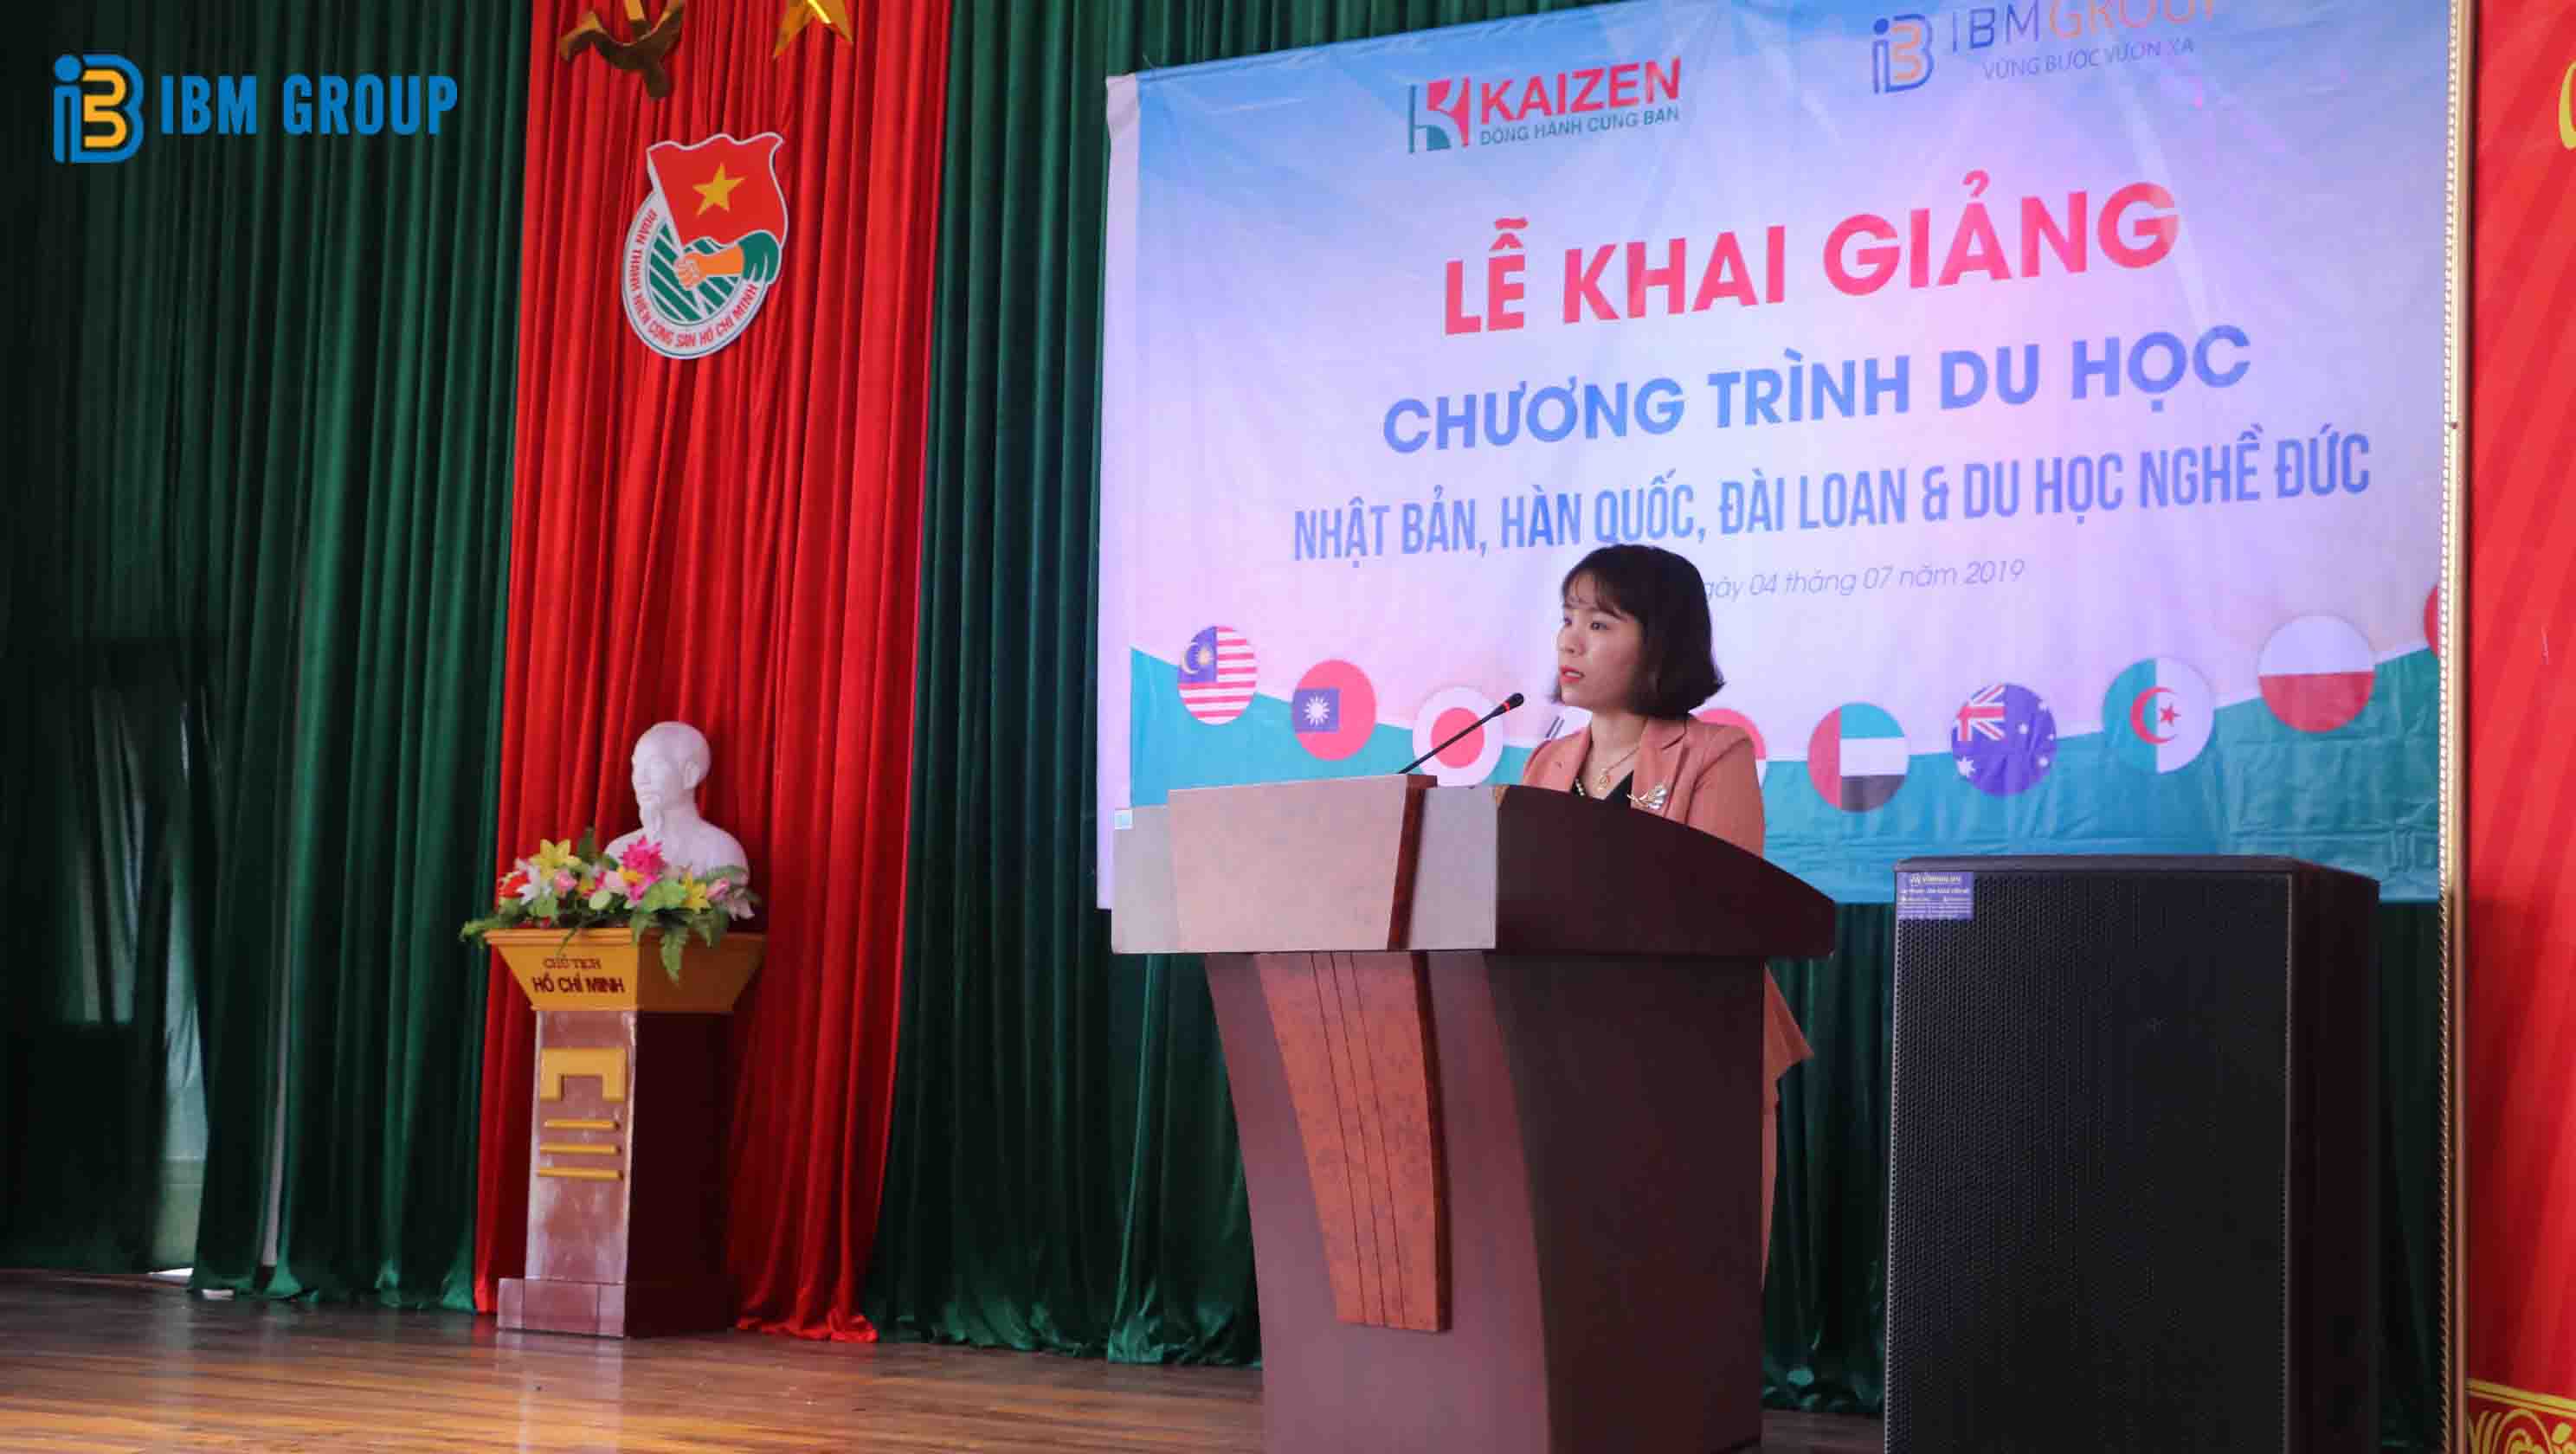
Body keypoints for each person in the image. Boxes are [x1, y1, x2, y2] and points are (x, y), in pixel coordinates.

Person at [1519, 543, 1813, 1272]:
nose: (1569, 641)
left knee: (1690, 1281)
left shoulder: (1715, 754)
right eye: (1567, 618)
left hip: (1691, 1060)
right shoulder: (1545, 765)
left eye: (1599, 624)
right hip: (1567, 1063)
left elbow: (1719, 916)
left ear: (1661, 643)